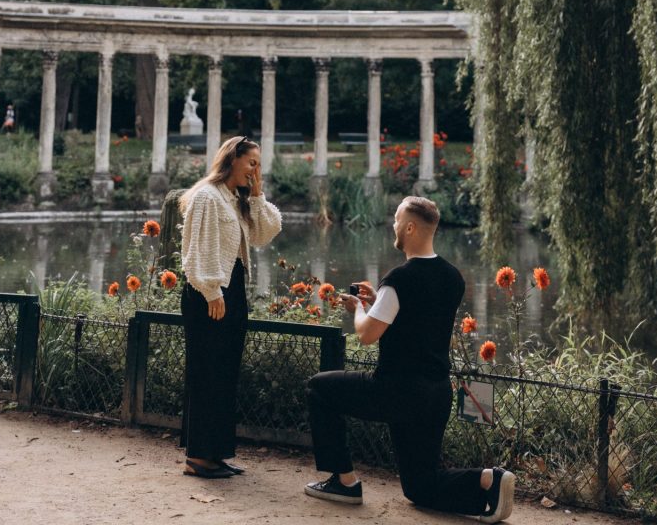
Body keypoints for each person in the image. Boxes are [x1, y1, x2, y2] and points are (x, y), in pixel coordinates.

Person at [304, 195, 515, 522]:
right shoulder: (453, 277)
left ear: (411, 227)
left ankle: (344, 482)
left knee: (318, 388)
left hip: (395, 390)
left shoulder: (400, 279)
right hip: (436, 393)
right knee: (420, 486)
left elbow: (367, 334)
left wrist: (359, 309)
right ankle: (489, 480)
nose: (393, 225)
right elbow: (419, 319)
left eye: (397, 220)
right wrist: (380, 301)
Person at [179, 135, 281, 480]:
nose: (255, 170)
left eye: (259, 165)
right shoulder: (207, 196)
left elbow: (265, 233)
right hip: (209, 293)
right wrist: (212, 291)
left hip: (231, 290)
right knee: (207, 373)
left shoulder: (235, 199)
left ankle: (215, 454)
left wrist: (258, 194)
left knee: (224, 374)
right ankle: (198, 458)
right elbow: (196, 250)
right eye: (251, 163)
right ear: (231, 160)